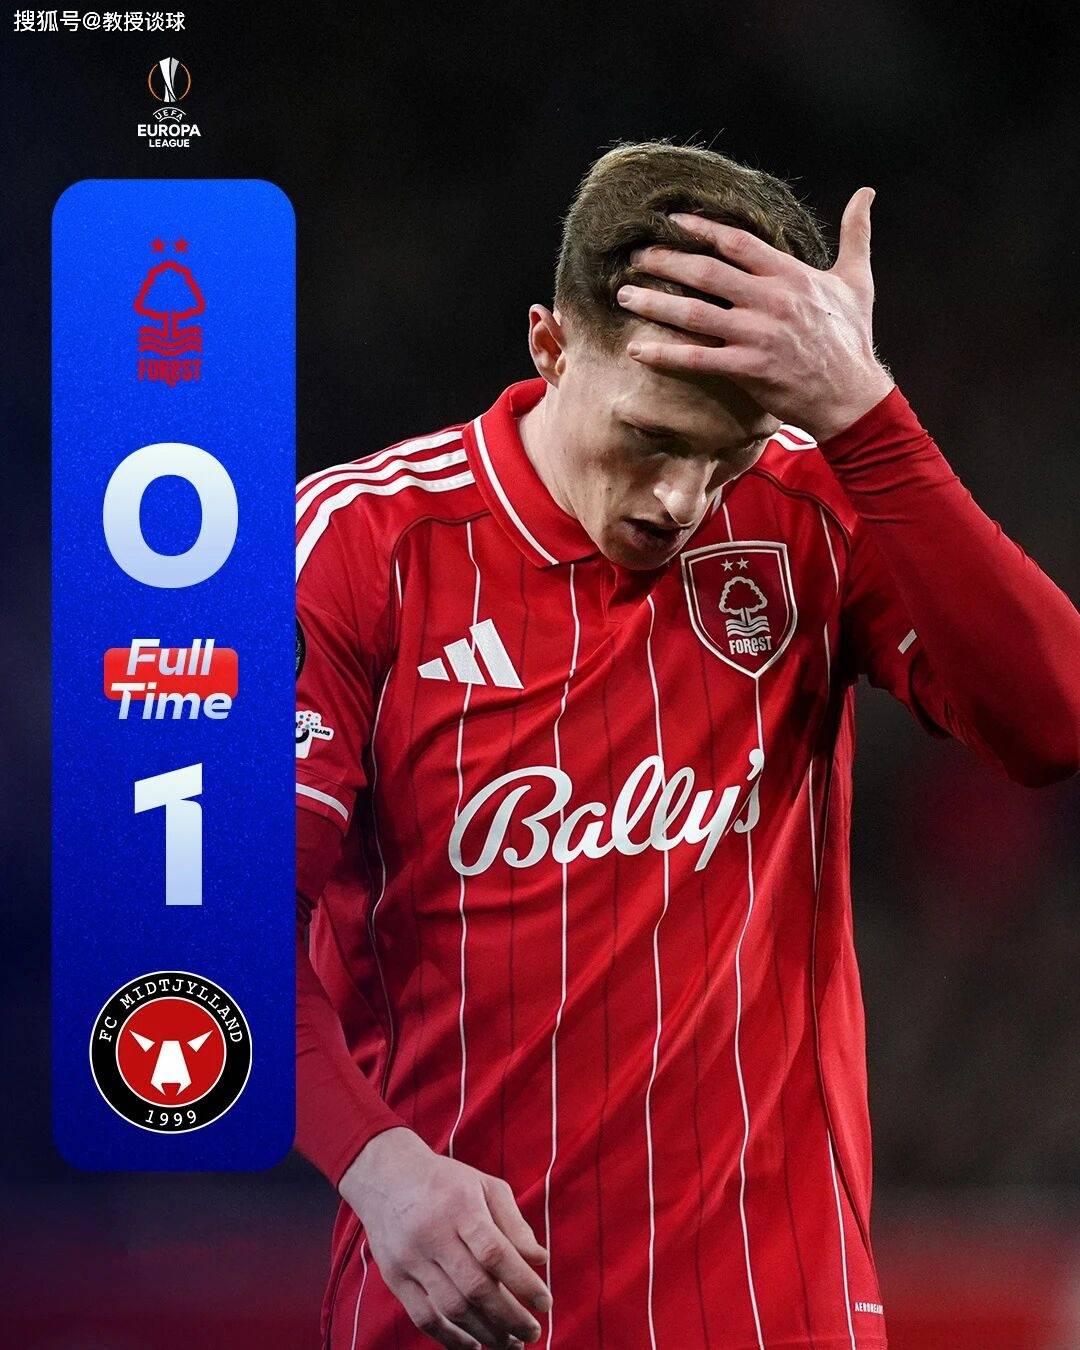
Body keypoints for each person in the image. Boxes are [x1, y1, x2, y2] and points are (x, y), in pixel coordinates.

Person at [294, 142, 1080, 1350]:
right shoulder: (361, 547)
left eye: (732, 453)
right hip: (455, 1306)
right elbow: (208, 926)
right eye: (653, 435)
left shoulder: (812, 504)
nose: (682, 500)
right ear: (551, 346)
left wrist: (868, 416)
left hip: (778, 1312)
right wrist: (377, 1165)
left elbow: (1052, 721)